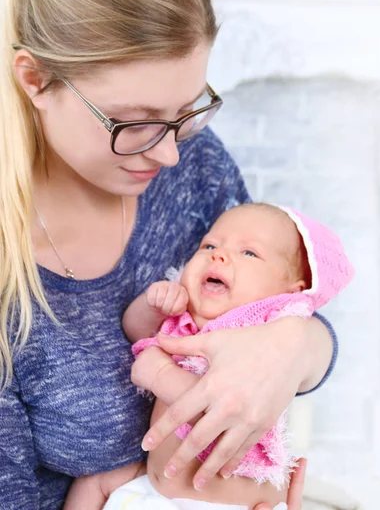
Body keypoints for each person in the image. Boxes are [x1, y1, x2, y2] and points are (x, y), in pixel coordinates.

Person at [0, 0, 339, 509]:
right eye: (135, 122)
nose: (170, 153)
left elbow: (293, 301)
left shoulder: (198, 164)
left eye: (188, 110)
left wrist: (294, 348)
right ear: (35, 79)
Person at [64, 203, 353, 509]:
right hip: (155, 489)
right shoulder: (187, 315)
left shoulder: (263, 333)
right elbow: (134, 329)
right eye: (209, 245)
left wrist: (162, 376)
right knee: (91, 482)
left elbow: (222, 413)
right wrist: (155, 306)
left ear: (290, 292)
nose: (219, 255)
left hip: (227, 504)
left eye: (249, 253)